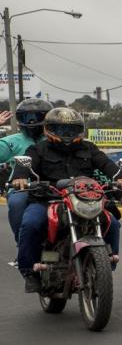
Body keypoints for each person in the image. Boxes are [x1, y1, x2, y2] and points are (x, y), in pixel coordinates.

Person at [10, 107, 122, 293]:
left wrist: (121, 177)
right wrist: (21, 177)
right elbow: (25, 162)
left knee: (112, 223)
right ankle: (29, 271)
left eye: (71, 130)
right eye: (60, 129)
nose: (66, 134)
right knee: (31, 223)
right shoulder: (38, 148)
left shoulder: (88, 148)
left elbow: (106, 163)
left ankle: (107, 264)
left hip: (84, 198)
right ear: (48, 129)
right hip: (48, 199)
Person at [1, 99, 52, 243]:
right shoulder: (11, 141)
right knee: (17, 202)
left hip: (55, 186)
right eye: (26, 116)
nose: (31, 121)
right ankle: (22, 242)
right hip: (22, 188)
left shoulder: (56, 138)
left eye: (37, 116)